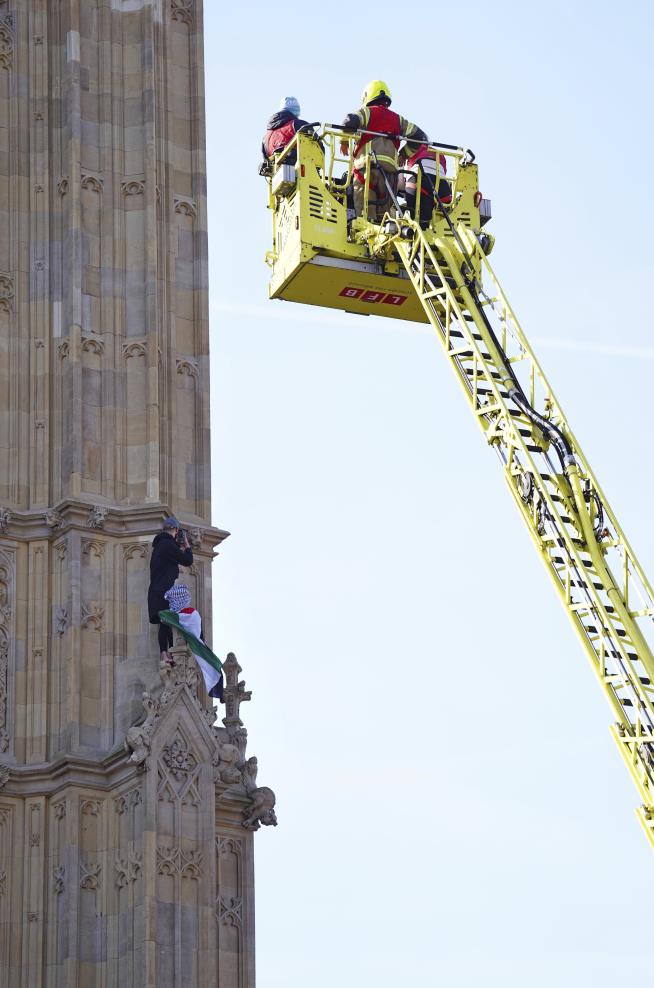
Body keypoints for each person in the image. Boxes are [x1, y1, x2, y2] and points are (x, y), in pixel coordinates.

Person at [340, 80, 424, 222]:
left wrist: (343, 142)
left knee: (365, 218)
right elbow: (418, 136)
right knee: (384, 222)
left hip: (366, 173)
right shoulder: (398, 119)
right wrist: (404, 154)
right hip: (390, 176)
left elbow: (349, 121)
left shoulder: (366, 113)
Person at [160, 584, 224, 700]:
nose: (171, 603)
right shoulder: (169, 617)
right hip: (173, 655)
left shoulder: (192, 615)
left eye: (173, 600)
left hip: (187, 657)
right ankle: (166, 656)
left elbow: (199, 639)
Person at [148, 517, 193, 664]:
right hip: (164, 592)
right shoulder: (167, 544)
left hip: (156, 592)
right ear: (175, 530)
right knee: (167, 622)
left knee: (166, 623)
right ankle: (166, 653)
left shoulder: (160, 545)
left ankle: (167, 654)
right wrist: (186, 545)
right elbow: (187, 560)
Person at [397, 129, 452, 229]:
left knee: (411, 213)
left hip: (417, 180)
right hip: (442, 188)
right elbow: (443, 171)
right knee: (425, 214)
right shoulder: (439, 154)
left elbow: (400, 181)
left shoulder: (411, 150)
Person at [261, 97, 311, 167]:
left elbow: (266, 162)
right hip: (298, 169)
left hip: (277, 175)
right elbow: (317, 147)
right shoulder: (299, 125)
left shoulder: (266, 138)